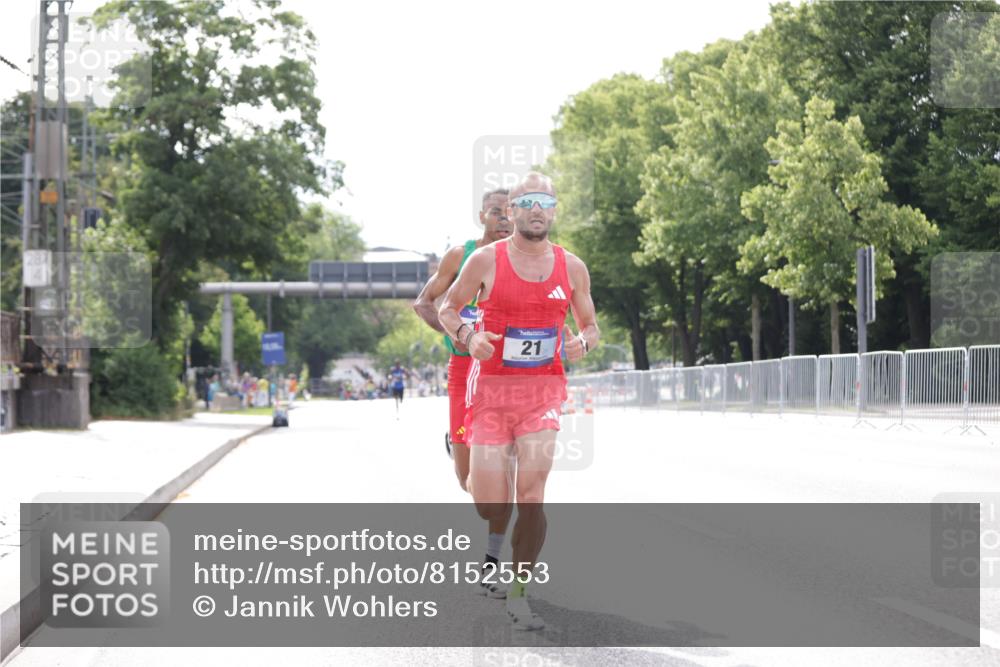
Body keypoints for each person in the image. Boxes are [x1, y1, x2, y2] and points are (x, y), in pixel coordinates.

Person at [439, 172, 599, 630]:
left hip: (542, 393)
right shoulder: (485, 261)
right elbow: (449, 309)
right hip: (489, 391)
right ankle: (465, 455)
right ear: (510, 212)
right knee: (490, 503)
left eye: (543, 201)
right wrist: (470, 337)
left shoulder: (572, 267)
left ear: (553, 210)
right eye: (525, 201)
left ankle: (519, 590)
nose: (535, 209)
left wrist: (581, 345)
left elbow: (590, 326)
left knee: (531, 494)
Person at [413, 187, 514, 597]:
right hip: (463, 367)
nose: (504, 219)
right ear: (482, 216)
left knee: (502, 473)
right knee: (469, 483)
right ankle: (459, 451)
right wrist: (459, 334)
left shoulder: (523, 258)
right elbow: (425, 303)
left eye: (510, 212)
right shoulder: (461, 255)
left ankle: (494, 561)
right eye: (496, 212)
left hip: (505, 372)